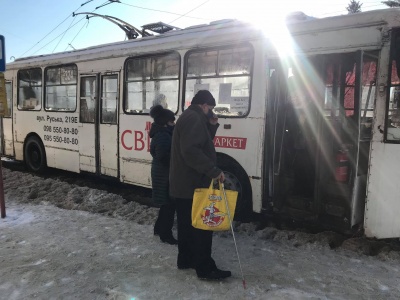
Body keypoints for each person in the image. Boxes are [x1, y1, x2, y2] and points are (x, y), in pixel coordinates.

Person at [169, 90, 231, 281]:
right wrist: (213, 171)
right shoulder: (193, 119)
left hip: (185, 185)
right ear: (204, 105)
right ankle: (205, 268)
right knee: (202, 228)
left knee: (188, 226)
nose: (211, 112)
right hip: (192, 184)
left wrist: (211, 127)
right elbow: (191, 151)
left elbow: (199, 144)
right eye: (210, 109)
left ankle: (186, 259)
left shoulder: (191, 117)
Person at [149, 105, 178, 245]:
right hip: (164, 174)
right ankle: (166, 235)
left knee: (166, 204)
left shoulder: (161, 132)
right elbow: (162, 156)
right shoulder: (163, 135)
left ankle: (159, 229)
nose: (174, 124)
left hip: (161, 172)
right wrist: (177, 160)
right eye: (172, 122)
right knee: (169, 205)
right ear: (165, 122)